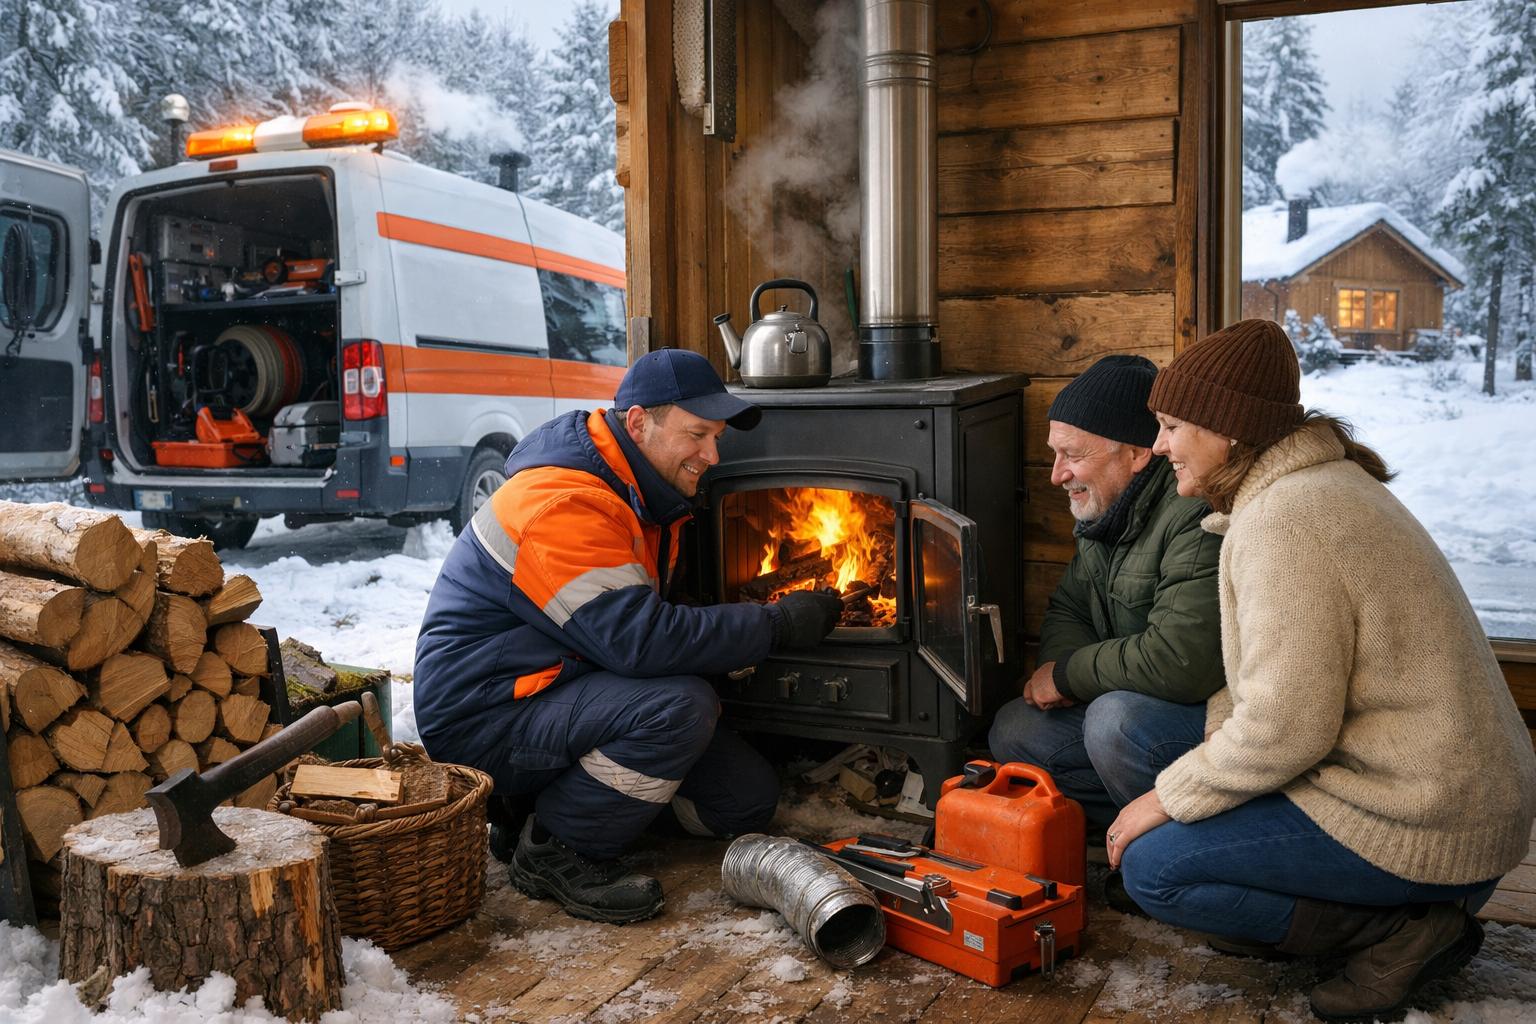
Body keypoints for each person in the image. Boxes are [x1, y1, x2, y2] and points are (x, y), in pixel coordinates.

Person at [1108, 319, 1536, 1022]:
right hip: (1424, 785)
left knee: (1158, 869)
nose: (1159, 446)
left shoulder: (1287, 520)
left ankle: (1403, 930)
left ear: (1230, 429)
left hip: (1428, 822)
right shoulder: (1312, 487)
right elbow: (1287, 704)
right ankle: (1291, 905)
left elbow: (1286, 729)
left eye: (1173, 424)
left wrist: (1165, 802)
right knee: (1142, 735)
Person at [413, 348, 843, 925]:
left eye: (715, 437)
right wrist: (778, 623)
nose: (711, 456)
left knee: (744, 802)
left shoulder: (631, 490)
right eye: (697, 435)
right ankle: (558, 850)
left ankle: (538, 809)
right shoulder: (563, 504)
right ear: (639, 421)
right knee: (678, 707)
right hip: (487, 716)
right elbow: (641, 643)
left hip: (559, 687)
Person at [988, 355, 1225, 832]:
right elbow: (1071, 606)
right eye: (1055, 453)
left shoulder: (1192, 518)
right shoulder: (1107, 511)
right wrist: (1057, 676)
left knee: (1112, 723)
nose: (1057, 475)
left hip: (1205, 720)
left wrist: (1072, 676)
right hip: (1126, 699)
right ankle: (1129, 830)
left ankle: (1174, 844)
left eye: (1073, 456)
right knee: (1013, 729)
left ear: (1137, 453)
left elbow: (1182, 662)